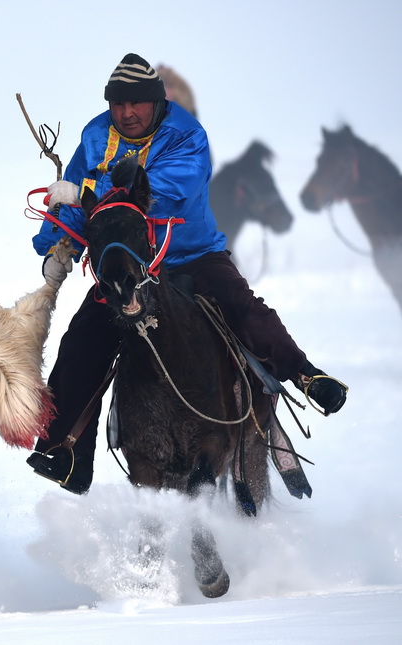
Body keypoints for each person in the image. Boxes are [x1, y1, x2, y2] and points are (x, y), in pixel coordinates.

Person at [27, 54, 348, 494]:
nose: (126, 113)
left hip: (191, 256)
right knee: (81, 341)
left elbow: (158, 193)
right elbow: (84, 206)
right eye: (118, 104)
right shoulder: (95, 134)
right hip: (129, 261)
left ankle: (308, 375)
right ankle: (67, 453)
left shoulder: (187, 136)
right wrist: (60, 242)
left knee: (244, 310)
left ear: (157, 103)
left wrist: (86, 190)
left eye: (137, 103)